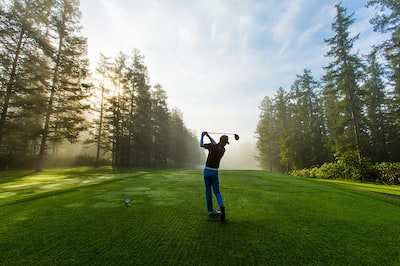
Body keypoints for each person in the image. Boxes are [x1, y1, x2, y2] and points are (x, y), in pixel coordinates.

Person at [200, 131, 229, 222]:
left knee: (208, 191)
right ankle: (222, 207)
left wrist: (202, 136)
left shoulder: (212, 146)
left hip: (207, 171)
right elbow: (215, 143)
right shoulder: (223, 149)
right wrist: (208, 136)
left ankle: (211, 210)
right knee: (217, 192)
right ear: (225, 143)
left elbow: (201, 145)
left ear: (219, 140)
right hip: (214, 172)